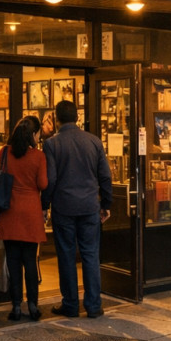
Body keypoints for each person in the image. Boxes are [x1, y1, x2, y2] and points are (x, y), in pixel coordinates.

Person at [42, 99, 112, 319]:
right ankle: (94, 305)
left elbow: (50, 179)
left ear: (56, 118)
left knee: (66, 256)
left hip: (64, 207)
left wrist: (44, 205)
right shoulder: (94, 141)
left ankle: (71, 304)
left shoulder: (52, 144)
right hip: (90, 206)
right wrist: (106, 204)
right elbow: (105, 176)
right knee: (90, 255)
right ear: (77, 117)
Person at [0, 116, 48, 322]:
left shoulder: (4, 153)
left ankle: (16, 306)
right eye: (38, 134)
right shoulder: (38, 156)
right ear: (33, 134)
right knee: (30, 261)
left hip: (9, 212)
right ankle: (33, 304)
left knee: (13, 262)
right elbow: (43, 184)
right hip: (30, 214)